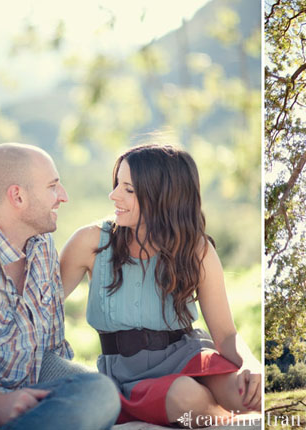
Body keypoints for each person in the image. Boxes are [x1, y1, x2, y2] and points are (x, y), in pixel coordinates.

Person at [60, 144, 262, 427]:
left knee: (249, 393)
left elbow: (226, 335)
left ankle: (244, 412)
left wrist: (252, 365)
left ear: (161, 197)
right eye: (117, 183)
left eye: (128, 189)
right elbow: (43, 309)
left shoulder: (197, 250)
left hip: (189, 356)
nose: (113, 195)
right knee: (184, 395)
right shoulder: (91, 242)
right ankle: (225, 420)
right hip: (129, 376)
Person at [0, 143, 120, 430]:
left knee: (101, 393)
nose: (63, 197)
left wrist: (77, 384)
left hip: (23, 404)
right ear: (18, 196)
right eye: (52, 187)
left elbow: (50, 350)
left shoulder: (43, 247)